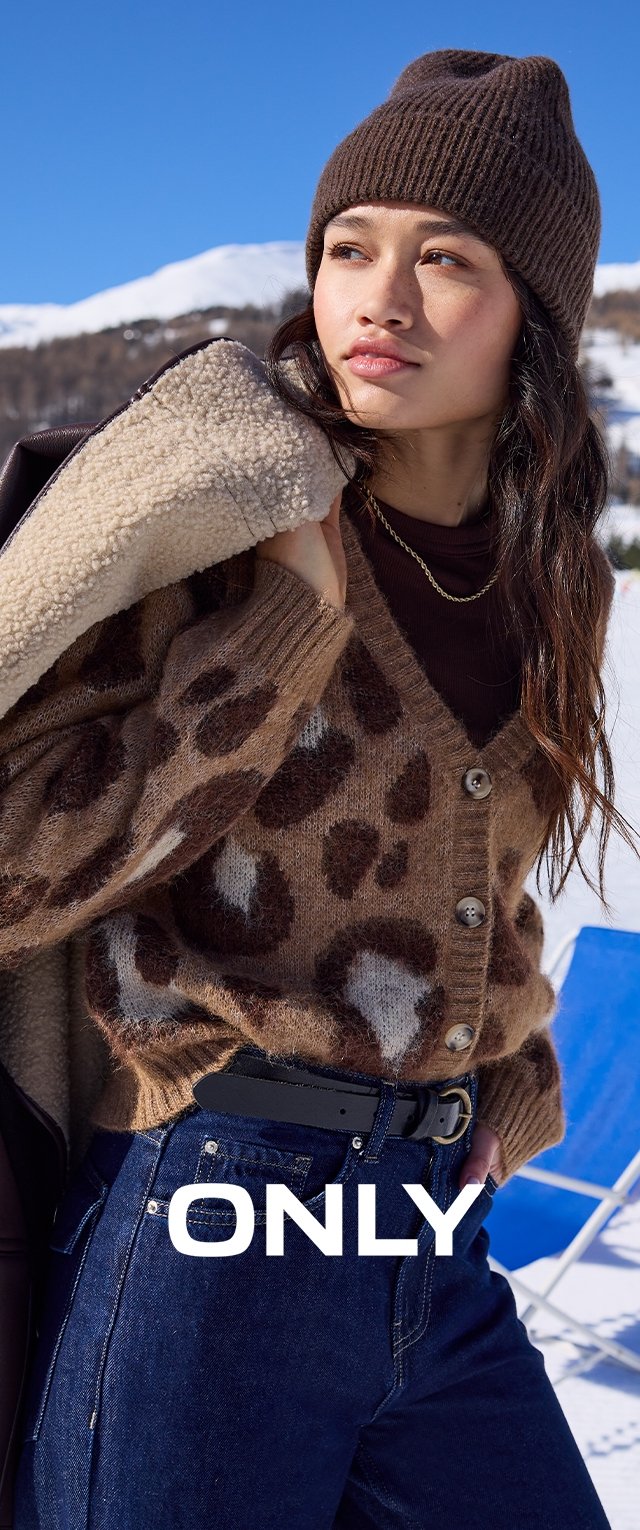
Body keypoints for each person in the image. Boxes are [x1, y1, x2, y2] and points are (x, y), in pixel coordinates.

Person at [10, 47, 628, 1530]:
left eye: (448, 259)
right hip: (211, 1202)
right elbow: (20, 863)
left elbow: (487, 886)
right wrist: (275, 638)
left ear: (535, 315)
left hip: (426, 1228)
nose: (380, 299)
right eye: (349, 248)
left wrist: (512, 1073)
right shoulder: (214, 518)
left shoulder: (551, 583)